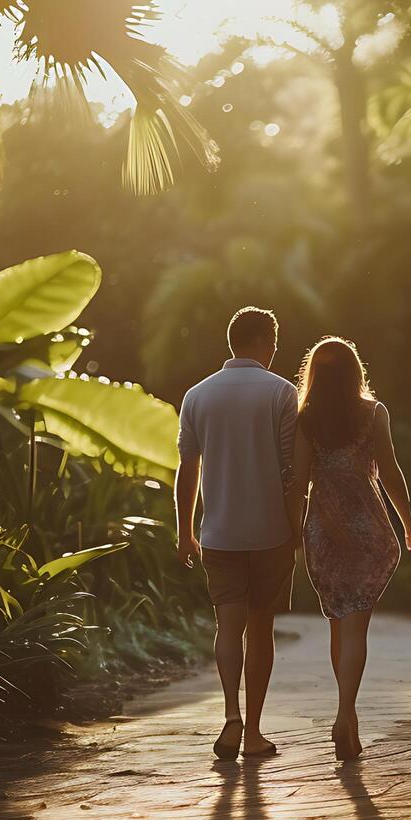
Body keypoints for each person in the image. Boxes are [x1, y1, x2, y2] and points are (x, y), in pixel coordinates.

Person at [175, 307, 301, 761]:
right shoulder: (283, 393)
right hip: (271, 533)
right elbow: (292, 470)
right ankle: (255, 734)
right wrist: (297, 528)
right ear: (266, 339)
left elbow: (187, 468)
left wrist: (184, 532)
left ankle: (231, 718)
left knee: (227, 627)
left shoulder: (197, 395)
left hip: (219, 532)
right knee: (260, 628)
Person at [291, 337, 411, 761]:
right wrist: (409, 525)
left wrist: (294, 530)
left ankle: (345, 712)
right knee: (355, 627)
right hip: (368, 531)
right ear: (355, 373)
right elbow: (390, 472)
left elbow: (298, 480)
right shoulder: (372, 413)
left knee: (337, 621)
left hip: (322, 533)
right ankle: (347, 714)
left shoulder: (305, 419)